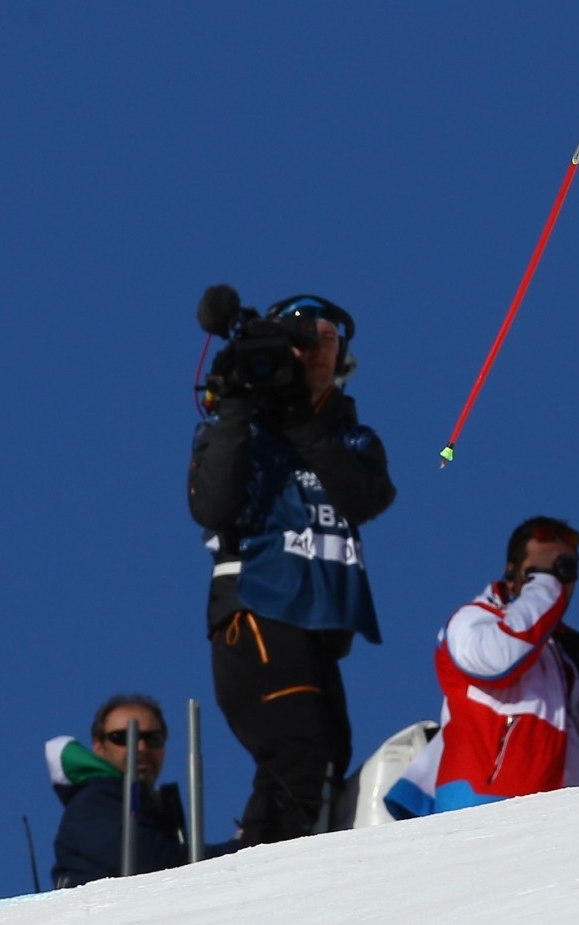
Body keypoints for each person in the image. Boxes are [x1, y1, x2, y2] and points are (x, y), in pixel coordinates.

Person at [187, 294, 395, 844]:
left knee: (326, 753)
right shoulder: (242, 429)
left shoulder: (350, 436)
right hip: (257, 606)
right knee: (300, 750)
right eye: (303, 340)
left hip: (318, 625)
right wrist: (237, 403)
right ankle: (264, 881)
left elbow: (363, 498)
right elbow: (212, 507)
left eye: (330, 339)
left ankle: (251, 865)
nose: (318, 350)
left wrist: (301, 421)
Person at [429, 516, 579, 812]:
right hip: (482, 807)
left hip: (556, 817)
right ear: (512, 574)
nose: (556, 582)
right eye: (541, 570)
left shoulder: (569, 657)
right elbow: (497, 663)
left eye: (565, 570)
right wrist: (545, 584)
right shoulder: (473, 619)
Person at [47, 694, 189, 888]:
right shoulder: (94, 801)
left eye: (153, 738)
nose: (141, 747)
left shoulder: (147, 807)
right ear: (98, 747)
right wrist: (240, 849)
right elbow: (151, 860)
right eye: (123, 737)